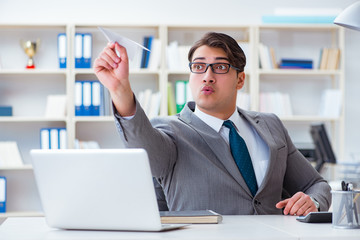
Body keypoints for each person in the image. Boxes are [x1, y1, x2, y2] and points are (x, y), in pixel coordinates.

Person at [94, 32, 331, 215]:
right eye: (198, 67)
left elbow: (315, 183)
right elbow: (144, 146)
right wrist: (120, 89)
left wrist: (314, 201)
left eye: (220, 67)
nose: (207, 75)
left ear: (240, 79)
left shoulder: (270, 125)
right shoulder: (170, 132)